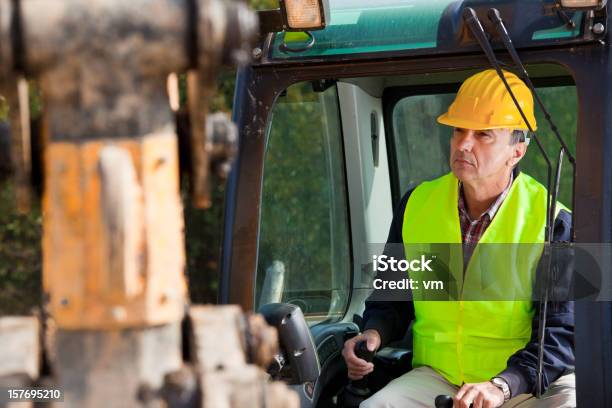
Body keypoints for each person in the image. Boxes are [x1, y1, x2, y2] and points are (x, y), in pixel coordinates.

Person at [342, 69, 575, 408]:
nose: (463, 144)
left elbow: (561, 335)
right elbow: (392, 300)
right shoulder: (417, 205)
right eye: (458, 131)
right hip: (439, 377)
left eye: (483, 135)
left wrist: (502, 385)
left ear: (517, 152)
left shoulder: (554, 222)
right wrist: (374, 332)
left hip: (521, 384)